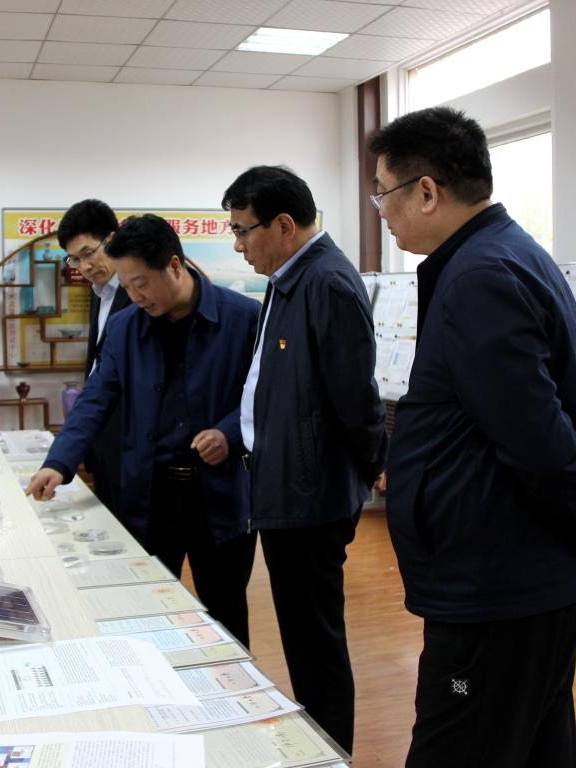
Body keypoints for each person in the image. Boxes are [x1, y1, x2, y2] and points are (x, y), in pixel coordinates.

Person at [370, 106, 576, 767]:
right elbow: (562, 412)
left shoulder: (479, 276)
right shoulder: (504, 255)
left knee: (459, 748)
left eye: (383, 193)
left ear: (427, 191)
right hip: (518, 573)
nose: (381, 212)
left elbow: (537, 434)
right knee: (534, 744)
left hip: (498, 585)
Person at [26, 214, 260, 646]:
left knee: (226, 615)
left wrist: (228, 433)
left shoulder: (243, 318)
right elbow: (96, 398)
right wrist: (58, 463)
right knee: (147, 613)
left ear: (174, 265)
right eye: (127, 286)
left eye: (141, 284)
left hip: (220, 498)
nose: (134, 297)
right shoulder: (125, 326)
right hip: (150, 495)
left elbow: (264, 396)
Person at [223, 165, 387, 754]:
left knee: (315, 643)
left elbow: (355, 397)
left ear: (284, 225)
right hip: (285, 486)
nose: (238, 245)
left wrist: (369, 467)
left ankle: (332, 752)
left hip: (310, 497)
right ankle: (320, 747)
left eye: (244, 231)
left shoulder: (327, 282)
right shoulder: (289, 277)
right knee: (301, 637)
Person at [55, 200, 131, 517]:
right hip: (104, 443)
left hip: (130, 443)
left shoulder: (136, 292)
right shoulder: (99, 292)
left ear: (111, 239)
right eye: (75, 259)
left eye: (88, 253)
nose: (84, 266)